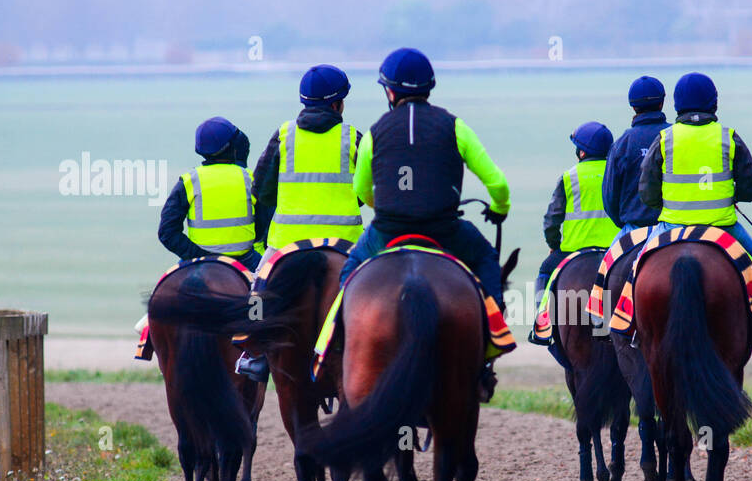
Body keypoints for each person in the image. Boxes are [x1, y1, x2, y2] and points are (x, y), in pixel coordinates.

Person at [338, 48, 510, 305]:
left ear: (390, 91)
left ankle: (335, 338)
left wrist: (387, 205)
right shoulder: (456, 127)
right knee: (486, 258)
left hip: (388, 231)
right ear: (429, 88)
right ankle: (496, 333)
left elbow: (361, 190)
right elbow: (497, 183)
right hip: (444, 229)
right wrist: (499, 208)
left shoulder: (374, 134)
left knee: (349, 270)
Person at [639, 72, 752, 345]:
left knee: (636, 268)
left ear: (677, 105)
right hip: (723, 227)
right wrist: (731, 196)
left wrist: (664, 204)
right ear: (714, 103)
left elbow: (647, 191)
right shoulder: (729, 138)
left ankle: (628, 325)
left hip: (671, 227)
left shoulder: (665, 139)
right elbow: (750, 188)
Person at [251, 64, 364, 250]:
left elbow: (262, 190)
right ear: (336, 104)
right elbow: (365, 191)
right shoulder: (352, 139)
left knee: (259, 279)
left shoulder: (284, 136)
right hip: (345, 243)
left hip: (287, 243)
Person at [158, 116, 262, 270]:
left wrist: (198, 255)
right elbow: (263, 224)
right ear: (232, 146)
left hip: (201, 263)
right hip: (245, 261)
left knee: (164, 290)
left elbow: (167, 232)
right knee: (276, 286)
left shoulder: (188, 182)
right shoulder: (250, 178)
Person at [534, 121, 619, 302]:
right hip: (616, 249)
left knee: (545, 270)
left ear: (582, 152)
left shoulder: (569, 177)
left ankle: (541, 325)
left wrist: (555, 245)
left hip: (574, 250)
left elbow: (551, 221)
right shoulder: (618, 174)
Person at [603, 75, 670, 240]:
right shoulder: (677, 136)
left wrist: (624, 224)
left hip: (635, 229)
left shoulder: (622, 143)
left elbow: (610, 198)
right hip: (676, 226)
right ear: (661, 103)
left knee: (605, 266)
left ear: (633, 107)